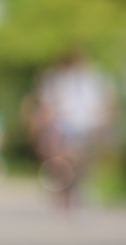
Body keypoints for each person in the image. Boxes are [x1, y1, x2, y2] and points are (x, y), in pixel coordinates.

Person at [26, 50, 116, 214]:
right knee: (63, 161)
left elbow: (104, 102)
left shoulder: (93, 79)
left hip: (86, 126)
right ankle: (64, 191)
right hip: (62, 126)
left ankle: (74, 193)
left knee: (80, 162)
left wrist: (103, 122)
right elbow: (47, 103)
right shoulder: (55, 79)